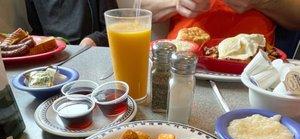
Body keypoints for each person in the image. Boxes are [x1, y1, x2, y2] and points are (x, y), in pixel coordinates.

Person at [142, 0, 300, 57]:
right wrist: (177, 3)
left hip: (251, 68)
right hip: (181, 60)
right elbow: (141, 8)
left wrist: (261, 2)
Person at [25, 0, 118, 46]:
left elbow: (115, 26)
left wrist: (94, 39)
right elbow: (37, 31)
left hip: (87, 51)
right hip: (52, 54)